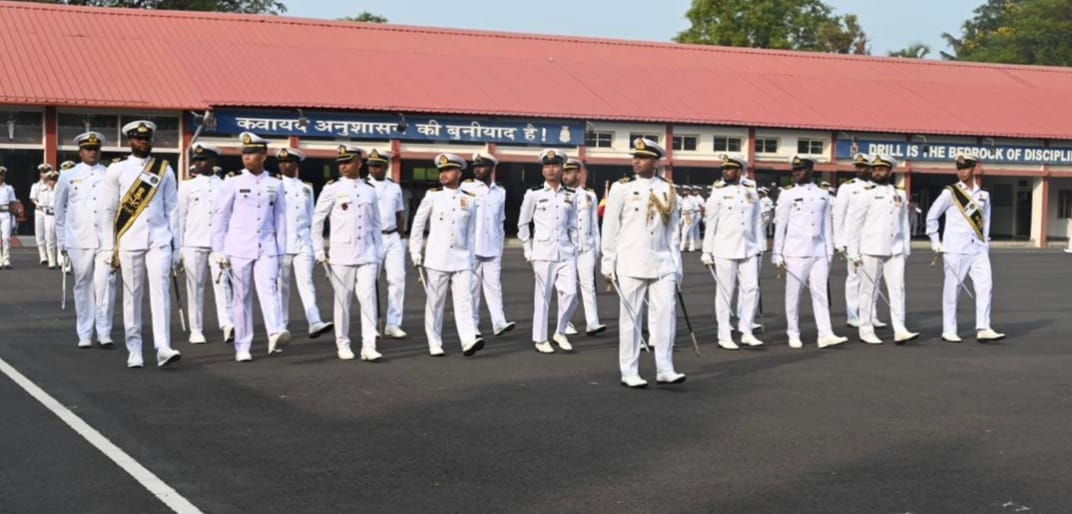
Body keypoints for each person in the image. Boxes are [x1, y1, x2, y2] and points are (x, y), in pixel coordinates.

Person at [601, 137, 686, 388]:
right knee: (630, 318)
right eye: (635, 157)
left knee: (666, 316)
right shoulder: (621, 188)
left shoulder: (668, 189)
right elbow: (610, 227)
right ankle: (629, 370)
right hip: (631, 260)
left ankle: (665, 367)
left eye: (643, 158)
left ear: (655, 161)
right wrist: (608, 260)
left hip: (662, 261)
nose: (636, 161)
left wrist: (676, 262)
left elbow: (673, 231)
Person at [99, 120, 182, 369]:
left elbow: (173, 210)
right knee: (132, 296)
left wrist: (177, 246)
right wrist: (107, 246)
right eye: (137, 138)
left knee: (161, 294)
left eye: (146, 139)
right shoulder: (117, 170)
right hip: (130, 239)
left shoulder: (164, 170)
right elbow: (108, 210)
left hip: (159, 239)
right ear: (130, 141)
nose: (142, 142)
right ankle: (134, 348)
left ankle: (163, 346)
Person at [211, 131, 290, 362]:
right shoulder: (233, 181)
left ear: (263, 155)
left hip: (266, 247)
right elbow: (221, 217)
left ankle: (275, 331)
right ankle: (243, 345)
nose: (247, 157)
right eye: (245, 153)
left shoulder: (275, 183)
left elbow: (281, 218)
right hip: (238, 247)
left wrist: (281, 249)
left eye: (253, 153)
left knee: (269, 289)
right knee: (242, 297)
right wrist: (219, 249)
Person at [409, 153, 484, 357]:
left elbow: (471, 231)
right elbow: (417, 225)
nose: (444, 174)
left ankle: (468, 339)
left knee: (464, 300)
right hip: (437, 258)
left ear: (459, 172)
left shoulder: (469, 199)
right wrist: (415, 251)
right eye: (441, 170)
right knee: (435, 302)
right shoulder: (433, 196)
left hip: (462, 259)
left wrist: (471, 257)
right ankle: (434, 341)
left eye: (448, 170)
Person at [312, 144, 383, 361]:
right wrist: (318, 249)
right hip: (341, 253)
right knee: (343, 301)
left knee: (368, 298)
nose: (343, 166)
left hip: (367, 252)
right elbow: (317, 220)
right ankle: (343, 342)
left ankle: (368, 345)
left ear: (359, 163)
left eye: (348, 162)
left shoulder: (370, 190)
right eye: (340, 163)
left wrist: (378, 253)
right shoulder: (332, 188)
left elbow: (376, 224)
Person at [925, 153, 1005, 342]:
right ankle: (949, 329)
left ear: (974, 168)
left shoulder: (984, 195)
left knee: (985, 286)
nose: (961, 171)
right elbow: (931, 216)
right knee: (952, 290)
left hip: (978, 249)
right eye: (958, 168)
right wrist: (936, 242)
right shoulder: (950, 192)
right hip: (955, 249)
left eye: (965, 167)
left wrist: (985, 245)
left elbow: (985, 223)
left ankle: (983, 327)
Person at [772, 156, 848, 350]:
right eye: (794, 170)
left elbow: (826, 225)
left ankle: (825, 333)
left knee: (821, 293)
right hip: (795, 251)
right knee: (793, 295)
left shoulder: (822, 193)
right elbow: (781, 225)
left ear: (811, 170)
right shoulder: (787, 194)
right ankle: (793, 331)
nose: (796, 173)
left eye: (801, 170)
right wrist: (777, 253)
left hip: (819, 251)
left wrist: (829, 250)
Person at [845, 155, 920, 345]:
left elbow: (903, 223)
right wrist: (853, 252)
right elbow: (856, 224)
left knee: (898, 289)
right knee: (868, 290)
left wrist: (906, 248)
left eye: (882, 169)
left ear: (889, 171)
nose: (878, 172)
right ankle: (866, 329)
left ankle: (900, 328)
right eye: (875, 169)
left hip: (895, 249)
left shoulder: (899, 193)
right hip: (872, 248)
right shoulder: (866, 192)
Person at [54, 131, 116, 348]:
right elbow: (59, 210)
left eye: (96, 149)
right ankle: (84, 332)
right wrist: (61, 240)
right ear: (80, 151)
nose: (92, 152)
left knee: (105, 284)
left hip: (105, 240)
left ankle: (104, 331)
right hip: (78, 238)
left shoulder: (109, 174)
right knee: (83, 285)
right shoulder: (68, 175)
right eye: (88, 149)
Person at [518, 149, 579, 354]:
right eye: (547, 166)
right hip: (543, 252)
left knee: (570, 294)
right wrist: (528, 249)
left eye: (555, 166)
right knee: (543, 297)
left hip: (565, 251)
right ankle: (541, 338)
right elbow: (523, 224)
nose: (551, 170)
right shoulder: (534, 194)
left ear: (562, 169)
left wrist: (575, 247)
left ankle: (560, 332)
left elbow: (573, 225)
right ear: (543, 170)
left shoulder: (570, 195)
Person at [701, 154, 764, 350]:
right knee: (725, 292)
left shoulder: (751, 189)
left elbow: (756, 220)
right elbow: (711, 222)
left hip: (748, 247)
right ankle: (724, 334)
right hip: (725, 248)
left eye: (729, 169)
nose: (725, 172)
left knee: (751, 288)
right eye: (724, 169)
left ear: (740, 171)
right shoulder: (718, 192)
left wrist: (760, 244)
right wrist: (707, 251)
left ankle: (746, 330)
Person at [177, 142, 234, 344]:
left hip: (219, 244)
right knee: (195, 287)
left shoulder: (225, 185)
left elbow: (231, 217)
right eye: (196, 160)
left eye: (203, 160)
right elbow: (180, 218)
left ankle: (227, 323)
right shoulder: (187, 186)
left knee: (223, 284)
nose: (198, 163)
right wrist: (179, 248)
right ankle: (196, 329)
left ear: (212, 161)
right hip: (193, 242)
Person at [275, 147, 332, 341]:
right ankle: (281, 324)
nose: (284, 165)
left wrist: (316, 246)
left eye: (288, 162)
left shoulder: (306, 187)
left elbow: (312, 217)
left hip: (303, 241)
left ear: (296, 165)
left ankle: (314, 321)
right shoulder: (274, 185)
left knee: (307, 282)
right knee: (282, 285)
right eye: (281, 162)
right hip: (282, 243)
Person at [461, 151, 516, 337]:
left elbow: (500, 221)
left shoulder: (500, 192)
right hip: (472, 246)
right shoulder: (466, 188)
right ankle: (473, 325)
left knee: (494, 285)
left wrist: (500, 246)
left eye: (481, 166)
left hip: (492, 245)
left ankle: (498, 321)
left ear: (491, 168)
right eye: (475, 166)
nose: (477, 169)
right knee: (472, 288)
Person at [833, 153, 884, 329]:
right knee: (854, 277)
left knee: (873, 278)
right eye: (857, 166)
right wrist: (839, 240)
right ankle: (852, 314)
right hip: (852, 240)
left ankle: (871, 314)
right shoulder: (847, 187)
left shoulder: (877, 187)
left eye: (863, 166)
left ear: (871, 168)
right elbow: (838, 214)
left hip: (871, 240)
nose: (859, 169)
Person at [366, 148, 408, 339]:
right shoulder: (364, 186)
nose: (374, 169)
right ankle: (372, 323)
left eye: (378, 166)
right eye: (371, 166)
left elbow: (400, 213)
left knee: (397, 280)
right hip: (372, 238)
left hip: (393, 237)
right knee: (370, 283)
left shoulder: (394, 187)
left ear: (386, 167)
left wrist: (401, 234)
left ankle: (393, 323)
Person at [561, 158, 606, 336]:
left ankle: (592, 322)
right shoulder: (559, 195)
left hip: (586, 247)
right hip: (568, 248)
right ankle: (566, 322)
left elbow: (595, 224)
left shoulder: (590, 195)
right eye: (564, 172)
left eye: (569, 172)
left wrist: (597, 248)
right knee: (568, 289)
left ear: (579, 174)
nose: (565, 176)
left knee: (589, 287)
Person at [30, 164, 51, 265]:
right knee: (40, 234)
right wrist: (38, 204)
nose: (45, 175)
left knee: (49, 234)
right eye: (43, 173)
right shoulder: (36, 186)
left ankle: (50, 254)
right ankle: (42, 256)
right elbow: (33, 198)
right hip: (39, 211)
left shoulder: (53, 185)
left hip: (50, 211)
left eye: (47, 172)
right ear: (40, 174)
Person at [41, 170, 59, 269]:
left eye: (55, 180)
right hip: (49, 215)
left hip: (59, 215)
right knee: (49, 239)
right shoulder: (45, 191)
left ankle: (61, 261)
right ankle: (51, 261)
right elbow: (42, 204)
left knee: (60, 239)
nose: (53, 182)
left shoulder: (59, 190)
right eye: (51, 180)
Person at [0, 166, 17, 270]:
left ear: (4, 176)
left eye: (1, 175)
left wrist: (13, 216)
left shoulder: (9, 188)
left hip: (6, 214)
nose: (0, 177)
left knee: (6, 238)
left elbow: (12, 203)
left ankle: (6, 259)